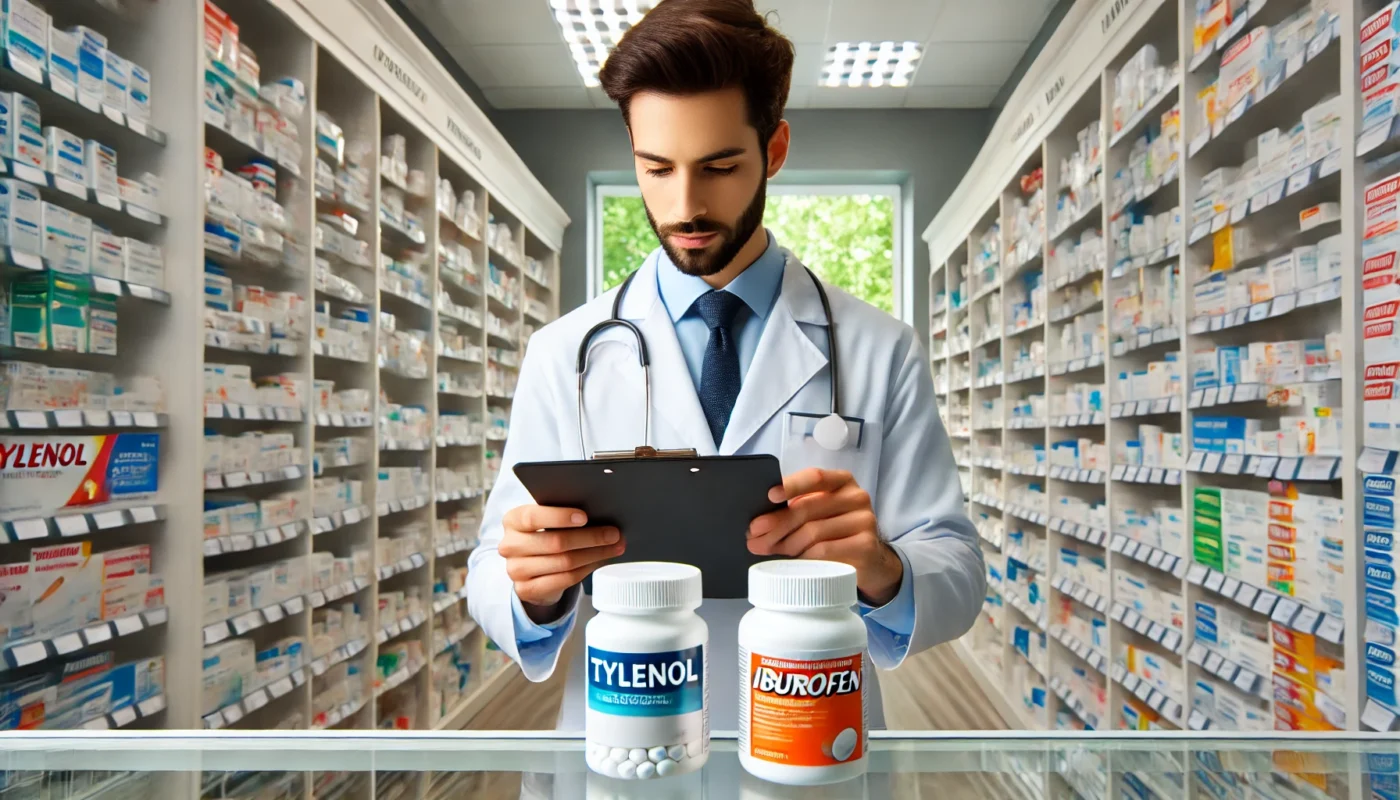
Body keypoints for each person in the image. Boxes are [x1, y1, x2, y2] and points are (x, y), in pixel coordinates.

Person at [467, 0, 984, 738]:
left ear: (773, 150)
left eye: (719, 166)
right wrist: (535, 590)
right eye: (655, 168)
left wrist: (883, 569)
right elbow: (490, 566)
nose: (685, 205)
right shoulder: (566, 351)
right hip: (624, 733)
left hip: (815, 734)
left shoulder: (878, 347)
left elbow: (959, 571)